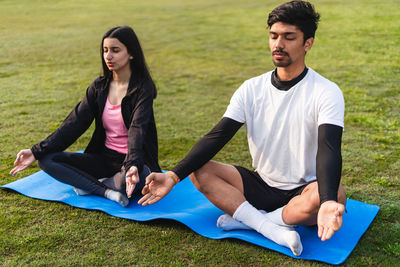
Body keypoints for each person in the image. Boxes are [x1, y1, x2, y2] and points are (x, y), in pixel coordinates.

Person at [137, 1, 346, 256]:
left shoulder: (326, 91)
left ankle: (253, 220)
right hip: (260, 184)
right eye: (273, 36)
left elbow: (328, 148)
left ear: (308, 43)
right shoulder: (251, 89)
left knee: (335, 194)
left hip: (304, 190)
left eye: (289, 37)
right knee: (199, 171)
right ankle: (270, 227)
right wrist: (173, 176)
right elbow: (217, 136)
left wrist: (326, 202)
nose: (278, 44)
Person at [10, 26, 161, 207]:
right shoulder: (99, 87)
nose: (108, 56)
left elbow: (138, 128)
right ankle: (105, 191)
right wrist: (36, 151)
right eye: (105, 50)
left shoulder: (142, 89)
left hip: (134, 161)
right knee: (47, 160)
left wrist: (133, 165)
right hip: (104, 158)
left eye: (115, 50)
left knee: (141, 176)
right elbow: (74, 123)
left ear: (131, 54)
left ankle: (96, 184)